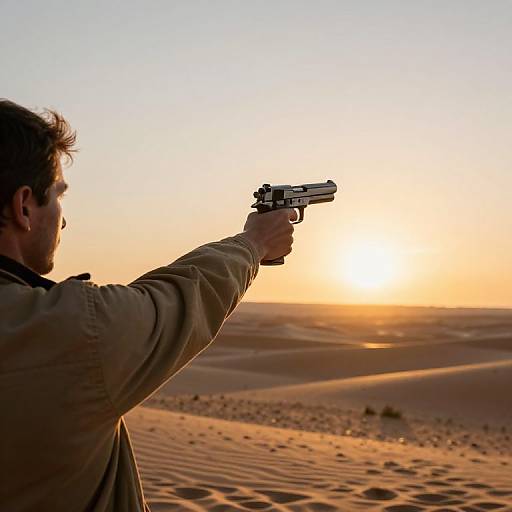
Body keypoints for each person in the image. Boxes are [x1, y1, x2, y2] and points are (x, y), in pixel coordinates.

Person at [0, 99, 296, 511]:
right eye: (58, 196)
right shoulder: (68, 332)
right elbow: (181, 299)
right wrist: (255, 243)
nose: (63, 220)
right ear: (24, 206)